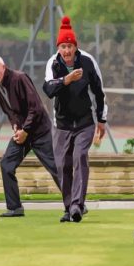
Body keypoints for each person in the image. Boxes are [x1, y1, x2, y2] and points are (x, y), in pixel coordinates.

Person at [43, 16, 107, 223]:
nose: (67, 51)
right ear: (59, 48)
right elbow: (48, 89)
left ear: (75, 46)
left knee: (80, 157)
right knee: (62, 164)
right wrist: (66, 80)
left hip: (84, 122)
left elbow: (99, 92)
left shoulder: (87, 61)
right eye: (63, 46)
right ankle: (69, 206)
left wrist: (102, 120)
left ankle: (77, 205)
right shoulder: (53, 63)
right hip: (61, 124)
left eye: (70, 46)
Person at [0, 56, 61, 217]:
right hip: (22, 133)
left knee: (56, 167)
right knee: (6, 164)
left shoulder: (19, 78)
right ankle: (14, 208)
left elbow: (35, 107)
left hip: (40, 130)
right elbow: (10, 112)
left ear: (4, 67)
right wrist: (16, 126)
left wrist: (25, 130)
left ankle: (76, 204)